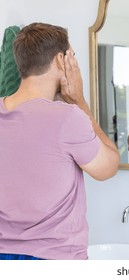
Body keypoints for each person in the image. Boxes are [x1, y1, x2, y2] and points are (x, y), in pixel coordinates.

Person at [0, 22, 119, 260]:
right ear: (59, 61)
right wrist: (79, 102)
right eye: (72, 56)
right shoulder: (67, 118)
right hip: (56, 259)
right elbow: (109, 166)